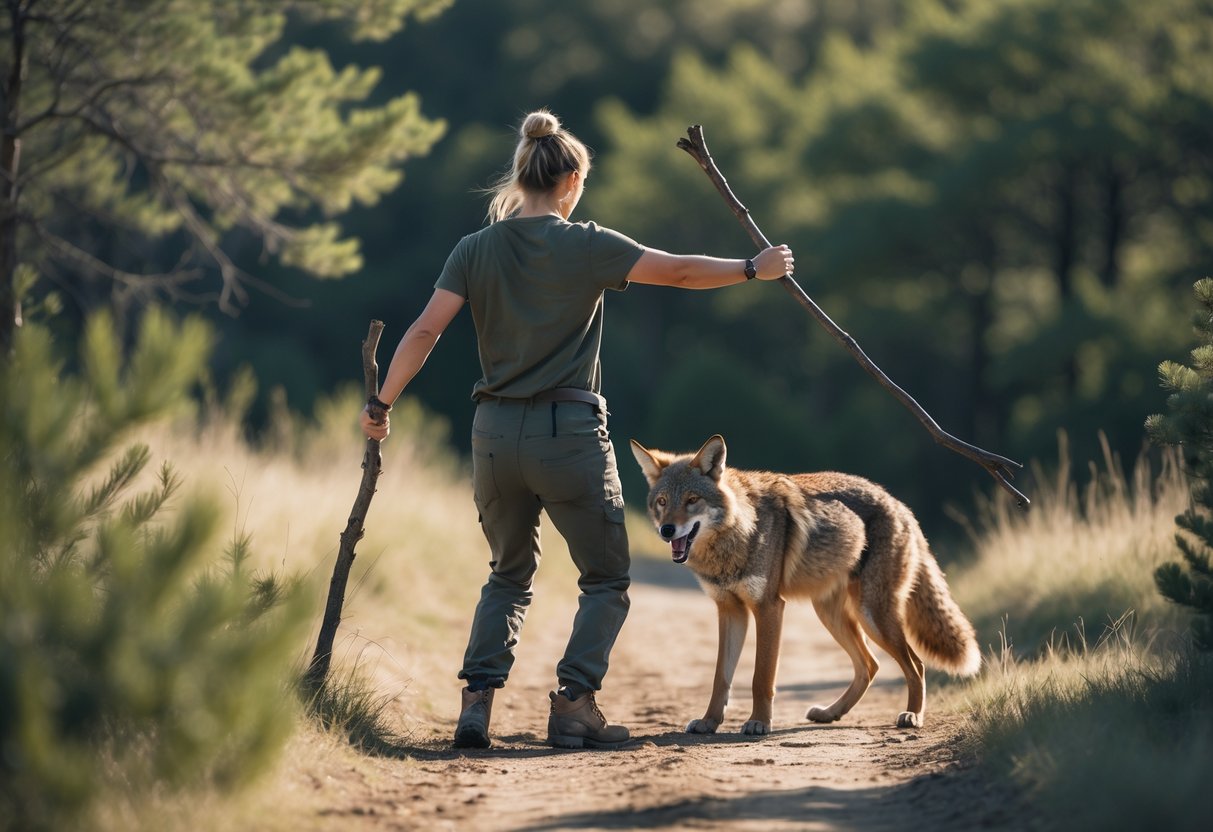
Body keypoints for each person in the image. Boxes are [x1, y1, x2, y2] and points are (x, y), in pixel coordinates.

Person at [360, 108, 794, 750]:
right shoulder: (586, 243)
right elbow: (676, 271)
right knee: (605, 576)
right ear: (570, 180)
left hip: (493, 434)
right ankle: (573, 704)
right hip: (568, 433)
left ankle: (476, 703)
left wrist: (382, 404)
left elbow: (424, 331)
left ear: (521, 175)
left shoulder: (474, 249)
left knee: (507, 573)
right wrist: (752, 268)